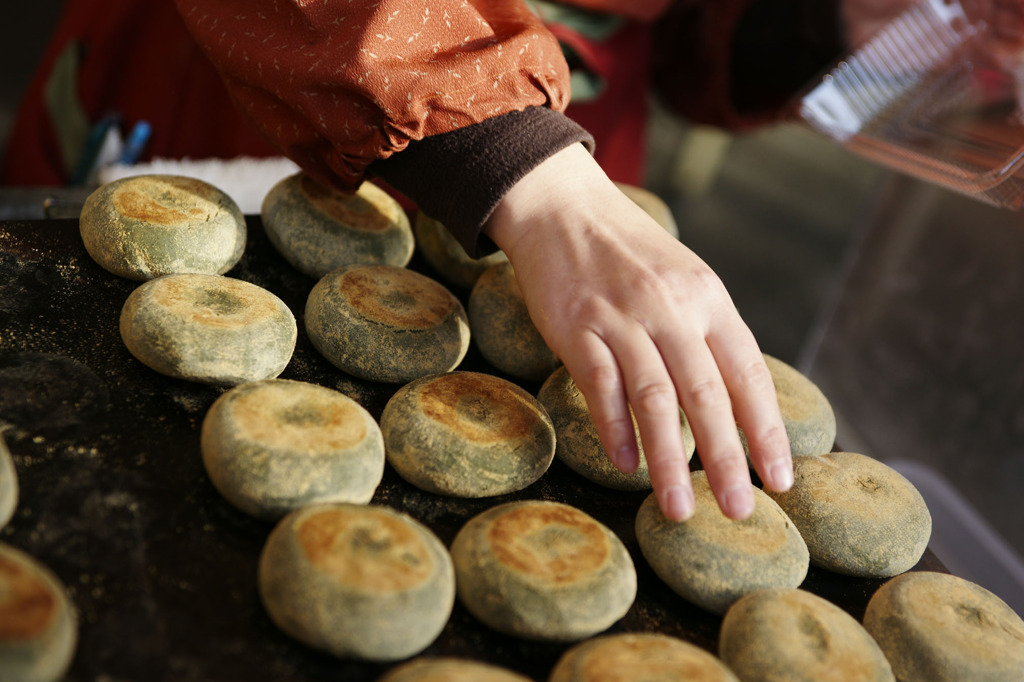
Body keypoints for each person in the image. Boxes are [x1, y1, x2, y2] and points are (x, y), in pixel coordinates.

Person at [13, 0, 1003, 521]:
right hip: (278, 79)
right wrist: (523, 172)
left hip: (564, 157)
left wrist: (817, 23)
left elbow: (686, 30)